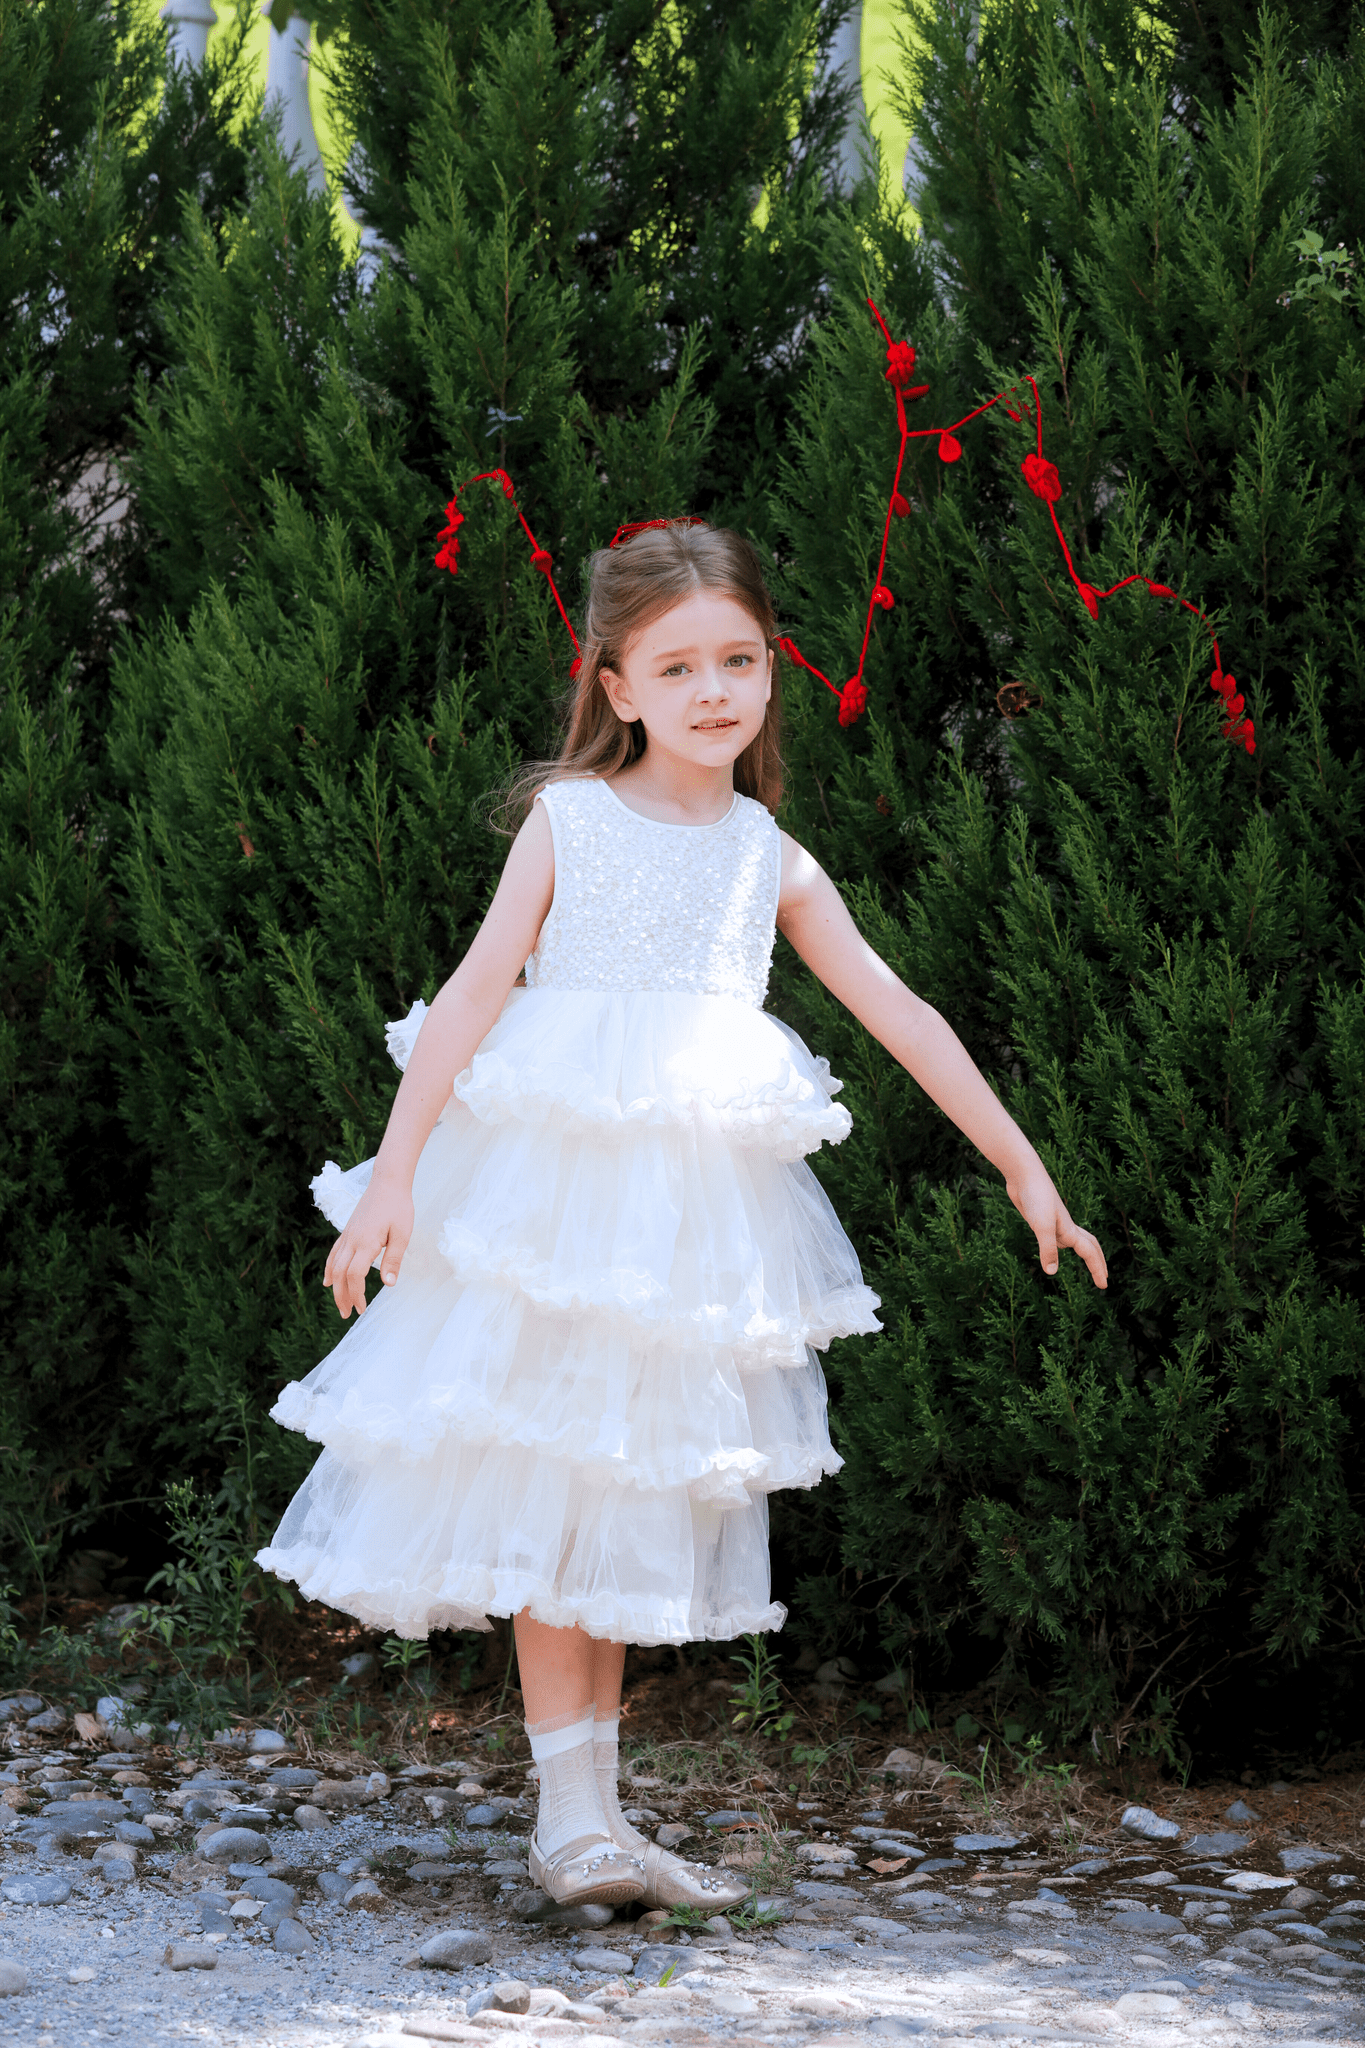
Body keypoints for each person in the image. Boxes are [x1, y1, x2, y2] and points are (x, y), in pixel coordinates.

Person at [257, 521, 1107, 1913]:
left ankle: (589, 1820)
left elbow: (899, 1010)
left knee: (628, 1494)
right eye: (680, 665)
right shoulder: (570, 824)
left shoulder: (766, 855)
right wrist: (395, 1175)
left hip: (688, 1231)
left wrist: (1022, 1165)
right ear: (616, 687)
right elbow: (472, 998)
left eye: (742, 660)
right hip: (552, 1202)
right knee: (556, 1481)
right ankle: (571, 1819)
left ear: (771, 673)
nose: (716, 689)